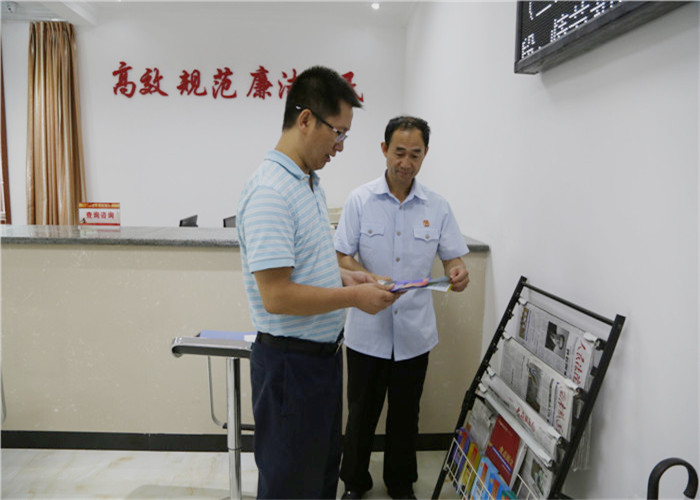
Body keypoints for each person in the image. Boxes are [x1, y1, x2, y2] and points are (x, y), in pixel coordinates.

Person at [236, 66, 398, 499]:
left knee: (322, 477)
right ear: (305, 119)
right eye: (338, 133)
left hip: (320, 362)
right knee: (292, 485)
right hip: (290, 367)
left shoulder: (308, 183)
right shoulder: (270, 192)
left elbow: (303, 265)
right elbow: (277, 296)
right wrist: (353, 296)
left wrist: (348, 276)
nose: (340, 146)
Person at [334, 116, 471, 500]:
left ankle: (400, 483)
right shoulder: (360, 200)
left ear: (425, 154)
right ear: (384, 150)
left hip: (414, 332)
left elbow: (453, 259)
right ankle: (355, 482)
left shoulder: (437, 206)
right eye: (399, 152)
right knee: (361, 413)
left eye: (415, 154)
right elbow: (342, 256)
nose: (405, 163)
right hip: (367, 328)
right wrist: (369, 279)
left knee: (406, 414)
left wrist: (458, 272)